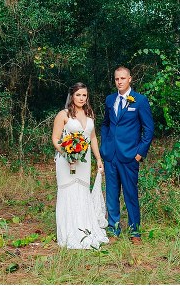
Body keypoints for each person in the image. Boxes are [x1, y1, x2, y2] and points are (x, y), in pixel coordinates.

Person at [52, 82, 108, 249]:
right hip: (66, 161)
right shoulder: (63, 115)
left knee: (82, 191)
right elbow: (55, 139)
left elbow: (93, 138)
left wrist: (98, 158)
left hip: (84, 161)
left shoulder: (89, 114)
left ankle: (84, 229)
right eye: (78, 95)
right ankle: (69, 231)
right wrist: (66, 154)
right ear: (72, 96)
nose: (81, 98)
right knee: (68, 191)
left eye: (84, 95)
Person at [101, 66, 154, 243]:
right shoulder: (110, 100)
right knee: (111, 194)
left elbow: (148, 129)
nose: (120, 82)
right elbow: (106, 124)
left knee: (130, 194)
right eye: (117, 79)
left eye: (123, 78)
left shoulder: (140, 100)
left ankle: (135, 232)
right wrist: (104, 146)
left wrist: (139, 153)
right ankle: (113, 229)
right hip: (111, 156)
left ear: (130, 79)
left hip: (130, 155)